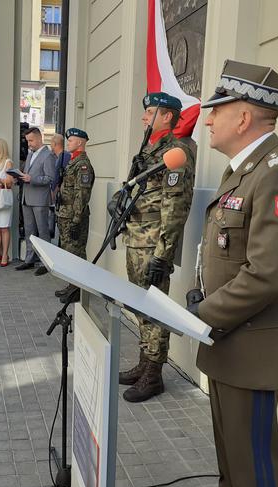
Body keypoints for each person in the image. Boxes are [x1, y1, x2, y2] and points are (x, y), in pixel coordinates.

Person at [185, 60, 278, 487]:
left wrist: (201, 313)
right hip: (228, 343)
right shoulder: (244, 171)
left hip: (251, 350)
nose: (207, 118)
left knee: (254, 472)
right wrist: (200, 293)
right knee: (232, 467)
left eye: (216, 110)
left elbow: (268, 275)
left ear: (242, 117)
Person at [117, 92, 195, 403]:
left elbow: (175, 208)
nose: (144, 117)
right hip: (137, 237)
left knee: (155, 308)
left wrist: (164, 253)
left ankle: (154, 375)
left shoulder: (176, 153)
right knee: (139, 305)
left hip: (153, 243)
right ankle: (143, 363)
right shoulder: (150, 151)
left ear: (167, 116)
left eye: (150, 112)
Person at [54, 128, 95, 301]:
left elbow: (82, 194)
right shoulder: (73, 162)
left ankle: (78, 289)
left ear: (79, 142)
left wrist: (77, 219)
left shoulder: (83, 165)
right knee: (68, 252)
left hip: (73, 216)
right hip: (65, 214)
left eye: (71, 140)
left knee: (76, 252)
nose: (68, 143)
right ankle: (72, 285)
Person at [16, 127, 56, 274]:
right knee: (29, 231)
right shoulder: (30, 154)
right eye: (27, 141)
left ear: (39, 138)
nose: (29, 144)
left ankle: (46, 263)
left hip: (40, 199)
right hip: (27, 198)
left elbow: (50, 178)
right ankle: (29, 260)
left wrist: (32, 178)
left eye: (31, 140)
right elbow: (28, 173)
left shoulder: (48, 155)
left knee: (43, 231)